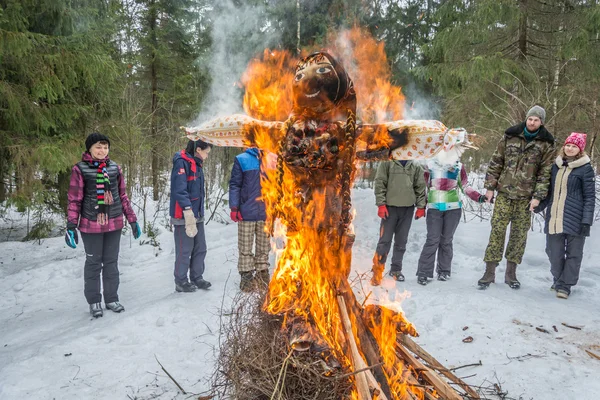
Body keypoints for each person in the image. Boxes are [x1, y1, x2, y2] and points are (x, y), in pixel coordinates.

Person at [478, 105, 555, 289]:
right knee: (497, 231)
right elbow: (496, 162)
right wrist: (490, 187)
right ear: (526, 119)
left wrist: (538, 197)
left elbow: (545, 173)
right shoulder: (510, 136)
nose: (532, 122)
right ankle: (489, 272)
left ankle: (511, 274)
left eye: (536, 120)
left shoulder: (546, 143)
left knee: (519, 236)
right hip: (504, 193)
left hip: (525, 198)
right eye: (530, 119)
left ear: (541, 122)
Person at [66, 132, 141, 318]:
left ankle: (111, 299)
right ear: (89, 148)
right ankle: (94, 301)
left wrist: (132, 219)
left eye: (105, 147)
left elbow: (122, 196)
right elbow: (75, 200)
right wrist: (70, 226)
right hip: (90, 224)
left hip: (114, 222)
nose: (102, 150)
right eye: (98, 147)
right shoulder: (80, 169)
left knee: (111, 262)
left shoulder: (115, 168)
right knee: (93, 263)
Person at [535, 133, 595, 299]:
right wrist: (539, 206)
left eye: (574, 146)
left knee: (574, 254)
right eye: (568, 145)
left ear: (580, 149)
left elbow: (590, 197)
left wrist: (586, 221)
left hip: (576, 219)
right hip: (554, 217)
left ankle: (565, 286)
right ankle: (558, 278)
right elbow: (550, 193)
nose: (570, 148)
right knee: (553, 251)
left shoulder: (586, 169)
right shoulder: (556, 166)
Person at [415, 158, 486, 285]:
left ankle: (444, 271)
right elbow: (424, 188)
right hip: (434, 208)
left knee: (446, 240)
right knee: (432, 239)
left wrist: (478, 197)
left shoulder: (458, 166)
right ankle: (424, 272)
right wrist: (421, 206)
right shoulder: (429, 165)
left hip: (453, 209)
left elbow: (465, 186)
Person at [371, 159, 426, 286]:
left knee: (401, 241)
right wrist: (381, 204)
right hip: (389, 208)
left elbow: (420, 186)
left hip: (407, 208)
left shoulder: (415, 164)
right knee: (384, 240)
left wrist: (421, 206)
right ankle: (377, 271)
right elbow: (380, 182)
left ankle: (396, 270)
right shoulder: (387, 161)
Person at [170, 139, 212, 293]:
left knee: (200, 247)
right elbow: (179, 190)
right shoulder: (181, 163)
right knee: (185, 249)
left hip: (197, 213)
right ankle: (181, 281)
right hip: (184, 215)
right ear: (198, 149)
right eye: (206, 152)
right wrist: (187, 210)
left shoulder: (197, 164)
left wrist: (197, 212)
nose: (207, 156)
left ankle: (197, 277)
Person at [229, 147, 270, 292]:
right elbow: (235, 184)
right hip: (246, 211)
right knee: (245, 246)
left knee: (264, 246)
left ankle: (262, 273)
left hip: (266, 212)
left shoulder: (272, 159)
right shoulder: (242, 159)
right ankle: (246, 277)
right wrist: (234, 207)